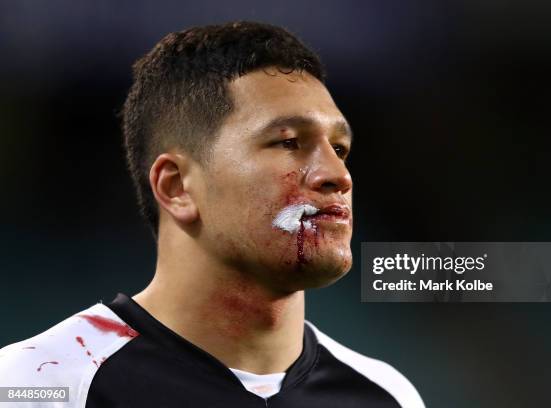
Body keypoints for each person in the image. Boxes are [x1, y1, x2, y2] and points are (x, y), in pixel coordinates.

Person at [0, 21, 424, 407]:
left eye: (340, 149)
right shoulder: (40, 384)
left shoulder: (386, 394)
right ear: (177, 187)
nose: (338, 175)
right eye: (289, 142)